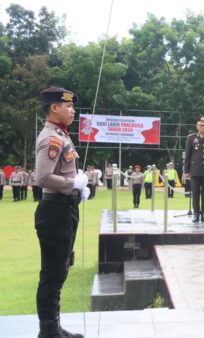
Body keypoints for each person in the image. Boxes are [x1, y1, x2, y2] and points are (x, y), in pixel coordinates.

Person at [34, 87, 89, 338]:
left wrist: (78, 189)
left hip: (64, 208)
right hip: (55, 211)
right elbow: (43, 177)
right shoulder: (51, 138)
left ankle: (54, 328)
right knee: (52, 273)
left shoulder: (61, 135)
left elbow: (62, 171)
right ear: (54, 108)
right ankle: (48, 332)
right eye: (68, 106)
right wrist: (72, 185)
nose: (73, 110)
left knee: (60, 269)